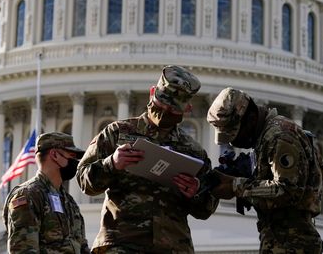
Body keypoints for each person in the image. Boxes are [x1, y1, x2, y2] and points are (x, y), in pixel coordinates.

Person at [76, 65, 218, 253]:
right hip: (121, 243)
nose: (165, 110)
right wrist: (112, 164)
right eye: (162, 103)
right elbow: (83, 180)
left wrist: (196, 192)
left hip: (173, 246)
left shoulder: (193, 152)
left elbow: (207, 207)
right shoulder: (117, 133)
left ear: (187, 109)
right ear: (152, 92)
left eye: (172, 108)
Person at [206, 87, 323, 253]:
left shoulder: (280, 136)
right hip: (279, 239)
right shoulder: (266, 137)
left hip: (293, 243)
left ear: (251, 118)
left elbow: (288, 189)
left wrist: (236, 186)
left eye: (235, 134)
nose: (234, 143)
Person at [3, 132, 90, 254]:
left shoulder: (69, 202)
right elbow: (24, 249)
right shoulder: (28, 195)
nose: (76, 162)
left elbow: (82, 246)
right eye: (72, 156)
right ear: (54, 155)